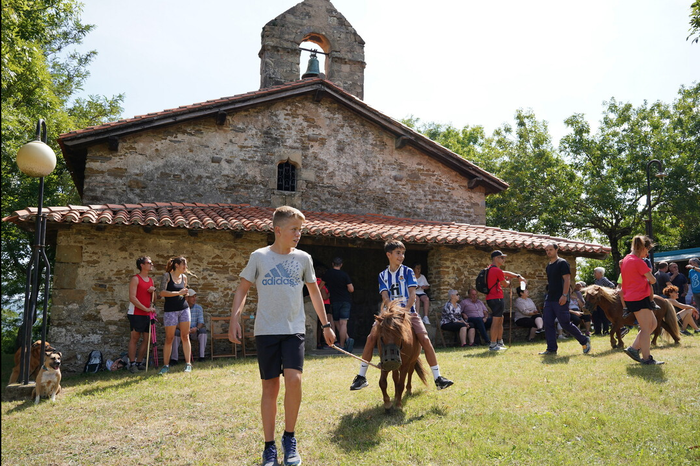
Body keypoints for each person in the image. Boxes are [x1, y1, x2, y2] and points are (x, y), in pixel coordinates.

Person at [227, 206, 335, 466]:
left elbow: (315, 293)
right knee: (270, 387)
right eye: (294, 229)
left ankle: (289, 438)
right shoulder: (259, 257)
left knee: (294, 379)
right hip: (266, 331)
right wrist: (234, 318)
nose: (298, 234)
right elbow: (242, 290)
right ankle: (269, 447)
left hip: (293, 330)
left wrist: (326, 324)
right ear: (277, 230)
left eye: (300, 230)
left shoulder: (304, 259)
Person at [349, 239, 453, 391]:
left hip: (408, 312)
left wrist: (404, 311)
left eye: (403, 253)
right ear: (389, 254)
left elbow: (412, 295)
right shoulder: (382, 275)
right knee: (371, 338)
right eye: (398, 253)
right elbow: (384, 296)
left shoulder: (408, 272)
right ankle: (361, 376)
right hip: (389, 314)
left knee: (424, 338)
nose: (401, 256)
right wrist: (392, 312)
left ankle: (438, 377)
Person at [539, 243, 592, 356]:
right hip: (550, 299)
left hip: (561, 298)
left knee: (565, 323)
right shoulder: (548, 266)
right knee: (547, 322)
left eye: (550, 250)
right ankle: (551, 349)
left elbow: (567, 280)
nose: (548, 252)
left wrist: (564, 295)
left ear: (556, 250)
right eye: (547, 250)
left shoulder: (562, 263)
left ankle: (584, 340)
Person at [620, 235, 663, 365]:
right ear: (643, 248)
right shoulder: (638, 261)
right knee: (645, 329)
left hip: (634, 297)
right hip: (638, 297)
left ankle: (633, 349)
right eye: (647, 250)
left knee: (653, 324)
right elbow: (653, 280)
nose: (647, 253)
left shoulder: (627, 259)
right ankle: (646, 358)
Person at [485, 250, 525, 351]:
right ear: (495, 258)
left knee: (500, 319)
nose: (504, 260)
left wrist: (518, 276)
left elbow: (505, 273)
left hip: (491, 298)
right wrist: (509, 280)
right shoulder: (496, 270)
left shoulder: (490, 269)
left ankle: (499, 342)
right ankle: (493, 345)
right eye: (501, 257)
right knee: (496, 321)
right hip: (496, 298)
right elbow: (505, 284)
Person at [158, 256, 193, 374]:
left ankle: (188, 364)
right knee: (169, 338)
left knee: (185, 336)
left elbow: (184, 293)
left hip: (184, 309)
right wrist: (179, 292)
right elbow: (162, 292)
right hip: (170, 310)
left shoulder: (184, 278)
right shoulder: (166, 276)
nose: (186, 267)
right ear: (177, 265)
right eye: (184, 264)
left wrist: (185, 294)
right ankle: (165, 365)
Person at [127, 256, 156, 373]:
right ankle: (132, 363)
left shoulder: (150, 280)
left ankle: (139, 362)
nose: (151, 264)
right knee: (134, 338)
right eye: (149, 263)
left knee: (147, 338)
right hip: (136, 313)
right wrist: (145, 309)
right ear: (142, 265)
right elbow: (132, 298)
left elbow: (154, 300)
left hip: (147, 314)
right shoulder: (135, 279)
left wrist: (153, 291)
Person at [322, 257, 354, 351]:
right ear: (341, 265)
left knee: (336, 322)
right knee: (343, 323)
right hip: (346, 300)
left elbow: (320, 286)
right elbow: (351, 289)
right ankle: (343, 344)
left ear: (332, 264)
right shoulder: (344, 275)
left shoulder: (328, 274)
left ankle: (343, 342)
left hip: (335, 301)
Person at [171, 289, 208, 363]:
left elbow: (201, 322)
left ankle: (202, 357)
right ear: (187, 298)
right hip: (182, 331)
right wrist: (183, 329)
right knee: (176, 333)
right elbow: (175, 323)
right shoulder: (179, 308)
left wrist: (196, 328)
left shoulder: (198, 308)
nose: (194, 299)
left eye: (195, 297)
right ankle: (174, 359)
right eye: (192, 297)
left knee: (203, 332)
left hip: (194, 331)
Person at [592, 267, 614, 335]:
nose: (594, 274)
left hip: (603, 301)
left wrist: (603, 291)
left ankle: (606, 330)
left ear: (600, 273)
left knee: (603, 316)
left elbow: (612, 285)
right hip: (597, 302)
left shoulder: (603, 279)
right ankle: (597, 331)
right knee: (596, 315)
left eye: (595, 272)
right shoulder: (596, 281)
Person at [315, 267, 332, 350]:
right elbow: (324, 297)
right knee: (323, 325)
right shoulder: (321, 284)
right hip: (324, 305)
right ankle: (322, 342)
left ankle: (318, 342)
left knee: (318, 325)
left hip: (316, 305)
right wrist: (330, 294)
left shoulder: (314, 282)